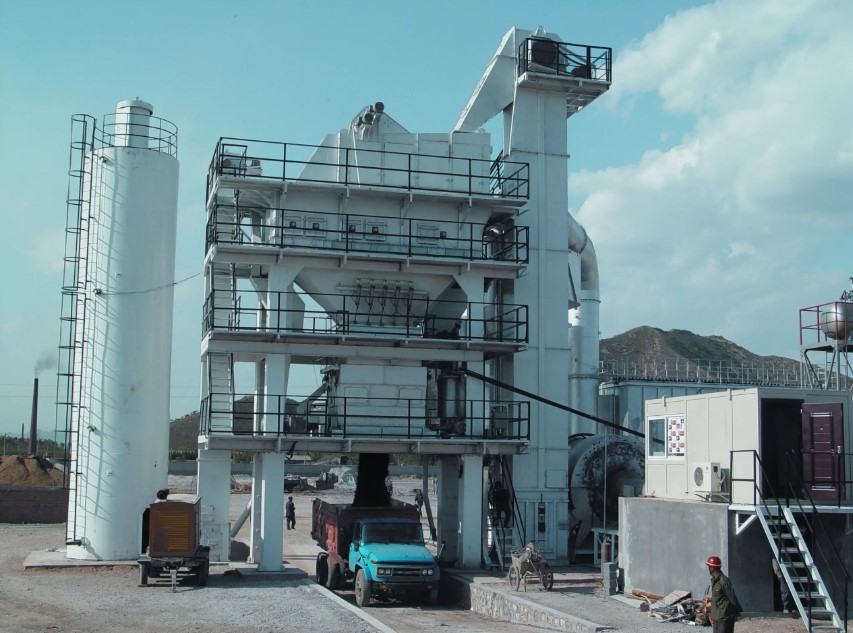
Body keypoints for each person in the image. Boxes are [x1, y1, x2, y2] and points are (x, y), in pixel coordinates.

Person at [706, 555, 743, 633]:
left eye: (709, 567)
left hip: (724, 618)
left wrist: (738, 611)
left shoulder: (724, 581)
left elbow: (732, 597)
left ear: (712, 568)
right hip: (716, 617)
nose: (708, 569)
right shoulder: (714, 581)